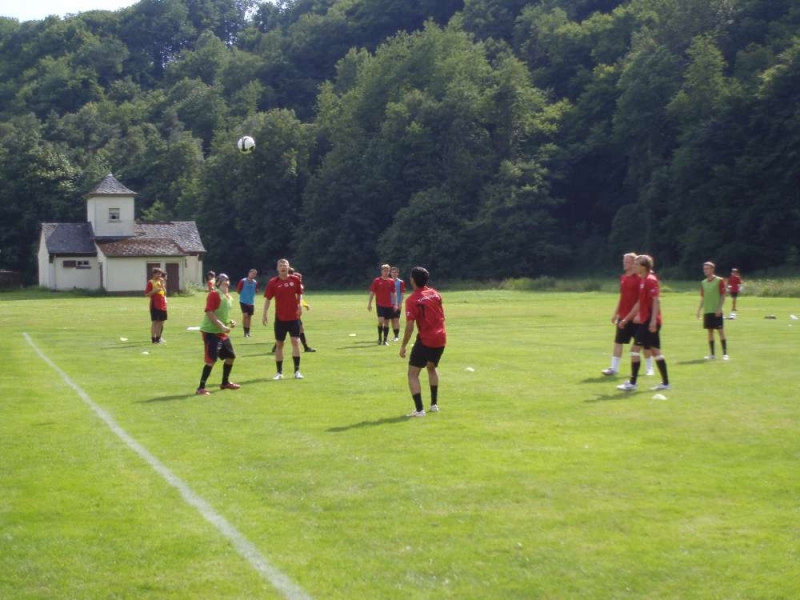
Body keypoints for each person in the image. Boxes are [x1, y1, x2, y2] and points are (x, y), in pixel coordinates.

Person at [616, 255, 671, 392]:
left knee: (635, 350)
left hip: (650, 322)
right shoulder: (643, 280)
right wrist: (626, 319)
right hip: (648, 321)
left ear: (644, 267)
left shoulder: (650, 280)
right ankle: (665, 384)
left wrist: (652, 321)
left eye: (636, 264)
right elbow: (639, 303)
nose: (634, 266)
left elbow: (656, 301)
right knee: (655, 351)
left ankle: (632, 383)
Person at [399, 266, 447, 417]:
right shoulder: (436, 294)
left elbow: (410, 326)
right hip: (441, 338)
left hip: (426, 339)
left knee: (412, 374)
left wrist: (403, 346)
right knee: (431, 367)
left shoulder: (412, 300)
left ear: (412, 280)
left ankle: (419, 410)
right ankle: (434, 405)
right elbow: (441, 316)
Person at [602, 253, 654, 377]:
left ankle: (649, 368)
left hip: (637, 318)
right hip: (623, 316)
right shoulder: (623, 277)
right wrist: (616, 313)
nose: (624, 263)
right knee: (618, 342)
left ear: (634, 263)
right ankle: (614, 368)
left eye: (627, 261)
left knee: (644, 344)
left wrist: (638, 314)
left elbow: (642, 299)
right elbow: (622, 296)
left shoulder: (639, 278)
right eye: (623, 261)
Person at [195, 273, 240, 395]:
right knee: (211, 360)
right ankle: (200, 388)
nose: (226, 281)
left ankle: (225, 383)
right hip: (211, 332)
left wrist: (230, 321)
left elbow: (223, 314)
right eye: (223, 280)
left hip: (221, 332)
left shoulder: (228, 297)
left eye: (227, 279)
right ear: (218, 283)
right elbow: (209, 312)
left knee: (230, 357)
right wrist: (221, 326)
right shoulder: (214, 294)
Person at [262, 258, 305, 380]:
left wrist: (299, 304)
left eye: (285, 265)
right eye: (280, 265)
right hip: (280, 318)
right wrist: (264, 313)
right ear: (277, 268)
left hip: (294, 317)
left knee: (295, 342)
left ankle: (297, 371)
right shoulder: (273, 282)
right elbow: (268, 299)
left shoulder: (295, 280)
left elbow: (299, 293)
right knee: (279, 344)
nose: (283, 267)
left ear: (288, 267)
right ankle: (279, 372)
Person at [697, 261, 729, 360]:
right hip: (707, 311)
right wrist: (699, 310)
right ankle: (712, 354)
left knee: (720, 331)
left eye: (707, 268)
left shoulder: (719, 280)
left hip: (716, 311)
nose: (705, 270)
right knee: (710, 332)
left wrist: (719, 308)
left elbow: (723, 295)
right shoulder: (703, 282)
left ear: (712, 269)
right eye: (704, 269)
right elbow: (703, 297)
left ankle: (725, 354)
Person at [368, 264, 395, 345]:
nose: (386, 272)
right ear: (381, 271)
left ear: (389, 272)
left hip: (389, 305)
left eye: (387, 271)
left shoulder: (391, 281)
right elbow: (372, 292)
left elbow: (393, 293)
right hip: (380, 304)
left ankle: (385, 340)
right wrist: (369, 303)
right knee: (380, 321)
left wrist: (395, 303)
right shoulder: (377, 281)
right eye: (384, 271)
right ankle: (379, 338)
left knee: (387, 322)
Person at [144, 267, 167, 344]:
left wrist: (162, 285)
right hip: (155, 305)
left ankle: (158, 338)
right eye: (157, 274)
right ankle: (153, 339)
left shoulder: (161, 281)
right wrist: (154, 291)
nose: (159, 275)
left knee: (160, 323)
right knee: (155, 322)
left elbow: (165, 293)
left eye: (160, 274)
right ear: (154, 274)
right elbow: (147, 294)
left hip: (162, 305)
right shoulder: (151, 282)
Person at [236, 268, 259, 338]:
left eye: (254, 274)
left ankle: (248, 332)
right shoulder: (243, 281)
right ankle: (245, 332)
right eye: (252, 273)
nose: (253, 275)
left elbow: (257, 291)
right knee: (245, 316)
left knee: (249, 317)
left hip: (251, 302)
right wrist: (243, 295)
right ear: (249, 273)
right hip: (243, 301)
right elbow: (238, 290)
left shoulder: (255, 282)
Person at [390, 266, 406, 342]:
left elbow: (402, 293)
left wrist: (400, 303)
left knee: (396, 319)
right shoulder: (388, 281)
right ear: (390, 273)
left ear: (398, 273)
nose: (394, 274)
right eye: (393, 272)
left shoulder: (400, 282)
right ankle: (394, 335)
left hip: (397, 303)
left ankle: (397, 336)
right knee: (392, 320)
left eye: (395, 272)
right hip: (389, 304)